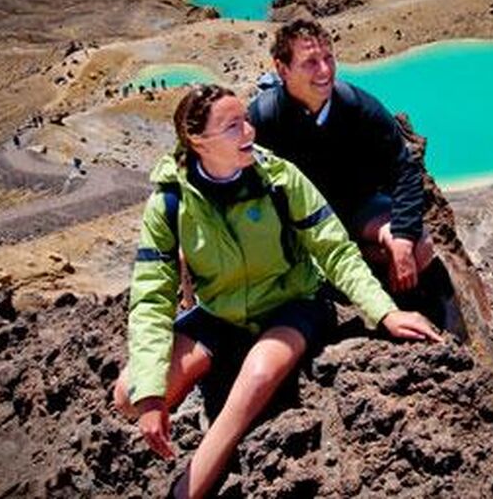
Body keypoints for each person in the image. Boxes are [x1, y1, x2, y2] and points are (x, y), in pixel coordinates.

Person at [114, 84, 440, 499]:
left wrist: (386, 312)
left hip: (293, 305)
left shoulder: (280, 178)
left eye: (246, 121)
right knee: (130, 395)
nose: (249, 131)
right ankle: (207, 378)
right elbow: (150, 300)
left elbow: (335, 251)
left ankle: (188, 488)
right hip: (221, 315)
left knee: (259, 376)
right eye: (233, 126)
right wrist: (152, 397)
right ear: (198, 141)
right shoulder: (170, 203)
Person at [247, 20, 451, 317]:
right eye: (311, 63)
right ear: (282, 69)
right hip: (296, 222)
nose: (325, 71)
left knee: (418, 249)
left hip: (356, 208)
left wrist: (403, 238)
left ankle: (372, 277)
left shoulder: (359, 107)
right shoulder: (263, 118)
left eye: (329, 58)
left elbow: (404, 171)